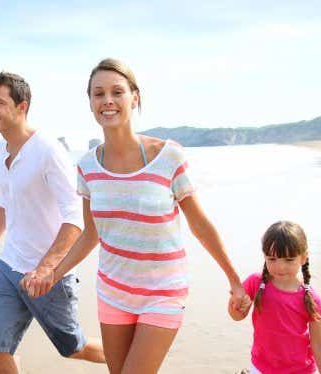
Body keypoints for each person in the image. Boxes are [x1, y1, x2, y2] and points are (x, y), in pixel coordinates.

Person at [30, 58, 248, 374]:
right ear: (90, 102)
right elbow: (91, 235)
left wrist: (234, 279)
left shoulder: (168, 155)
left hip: (163, 292)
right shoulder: (87, 167)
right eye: (98, 93)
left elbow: (199, 224)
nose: (107, 101)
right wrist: (53, 272)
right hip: (113, 291)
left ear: (134, 97)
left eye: (117, 92)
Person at [0, 71, 105, 373]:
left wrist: (46, 268)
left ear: (22, 107)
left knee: (74, 348)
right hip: (9, 266)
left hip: (50, 273)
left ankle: (132, 364)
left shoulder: (48, 151)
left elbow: (76, 217)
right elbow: (6, 202)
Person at [229, 221, 321, 374]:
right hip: (261, 368)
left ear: (303, 258)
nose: (280, 267)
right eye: (272, 259)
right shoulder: (255, 283)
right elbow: (236, 316)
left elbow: (319, 346)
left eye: (289, 260)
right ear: (265, 257)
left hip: (302, 370)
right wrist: (236, 306)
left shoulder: (310, 298)